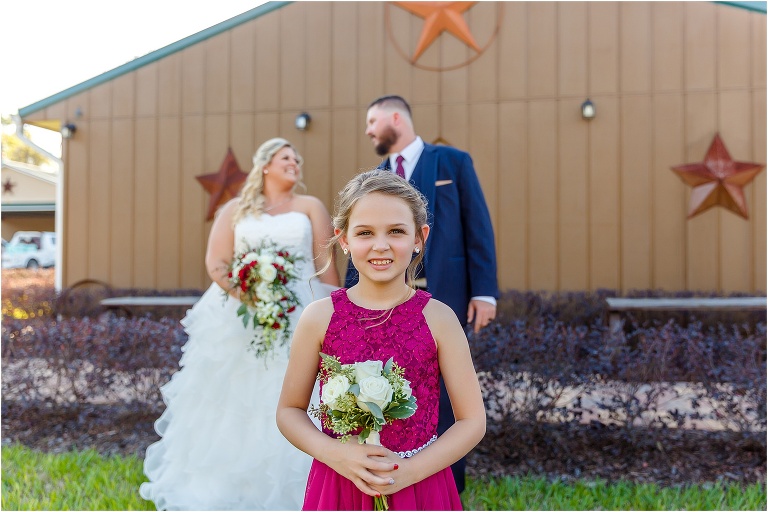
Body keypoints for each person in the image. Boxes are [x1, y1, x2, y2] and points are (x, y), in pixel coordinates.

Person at [139, 137, 340, 510]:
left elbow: (327, 269)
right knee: (234, 398)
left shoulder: (310, 206)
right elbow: (217, 263)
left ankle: (305, 490)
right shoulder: (234, 208)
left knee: (298, 390)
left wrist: (339, 315)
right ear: (265, 165)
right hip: (240, 318)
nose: (294, 162)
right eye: (285, 157)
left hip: (302, 314)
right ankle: (232, 491)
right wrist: (250, 297)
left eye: (296, 158)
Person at [277, 170, 486, 510]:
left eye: (396, 231)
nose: (381, 245)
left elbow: (472, 421)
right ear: (343, 239)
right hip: (340, 483)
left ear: (420, 236)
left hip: (420, 485)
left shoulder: (439, 318)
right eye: (364, 233)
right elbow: (289, 411)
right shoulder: (318, 317)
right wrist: (335, 454)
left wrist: (410, 471)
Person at [347, 95, 499, 493]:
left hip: (443, 298)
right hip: (382, 304)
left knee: (446, 392)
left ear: (396, 118)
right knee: (385, 385)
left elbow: (477, 226)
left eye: (372, 120)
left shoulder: (452, 162)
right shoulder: (375, 176)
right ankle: (383, 469)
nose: (368, 130)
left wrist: (484, 292)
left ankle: (449, 483)